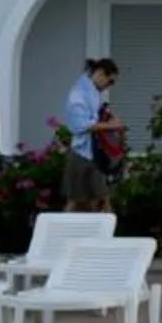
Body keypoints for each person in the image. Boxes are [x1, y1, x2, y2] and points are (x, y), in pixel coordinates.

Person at [59, 57, 120, 214]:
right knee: (76, 200)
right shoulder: (79, 93)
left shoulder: (93, 93)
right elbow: (80, 125)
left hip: (94, 153)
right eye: (110, 82)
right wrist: (110, 125)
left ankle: (99, 233)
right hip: (82, 152)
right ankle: (62, 234)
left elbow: (96, 116)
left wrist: (108, 117)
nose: (109, 86)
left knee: (100, 198)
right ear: (100, 74)